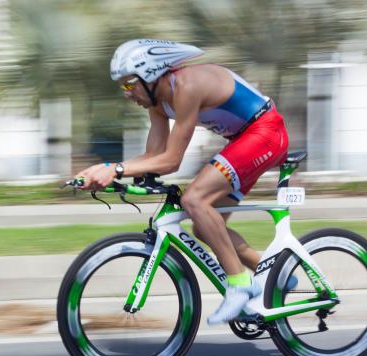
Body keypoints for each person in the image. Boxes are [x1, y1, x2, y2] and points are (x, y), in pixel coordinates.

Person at [77, 39, 289, 324]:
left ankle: (240, 284)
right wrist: (102, 171)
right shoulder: (158, 103)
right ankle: (276, 274)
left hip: (266, 133)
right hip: (244, 141)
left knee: (194, 200)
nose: (127, 94)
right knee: (205, 227)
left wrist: (114, 168)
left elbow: (171, 160)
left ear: (150, 75)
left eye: (129, 85)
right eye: (122, 88)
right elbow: (153, 156)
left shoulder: (187, 87)